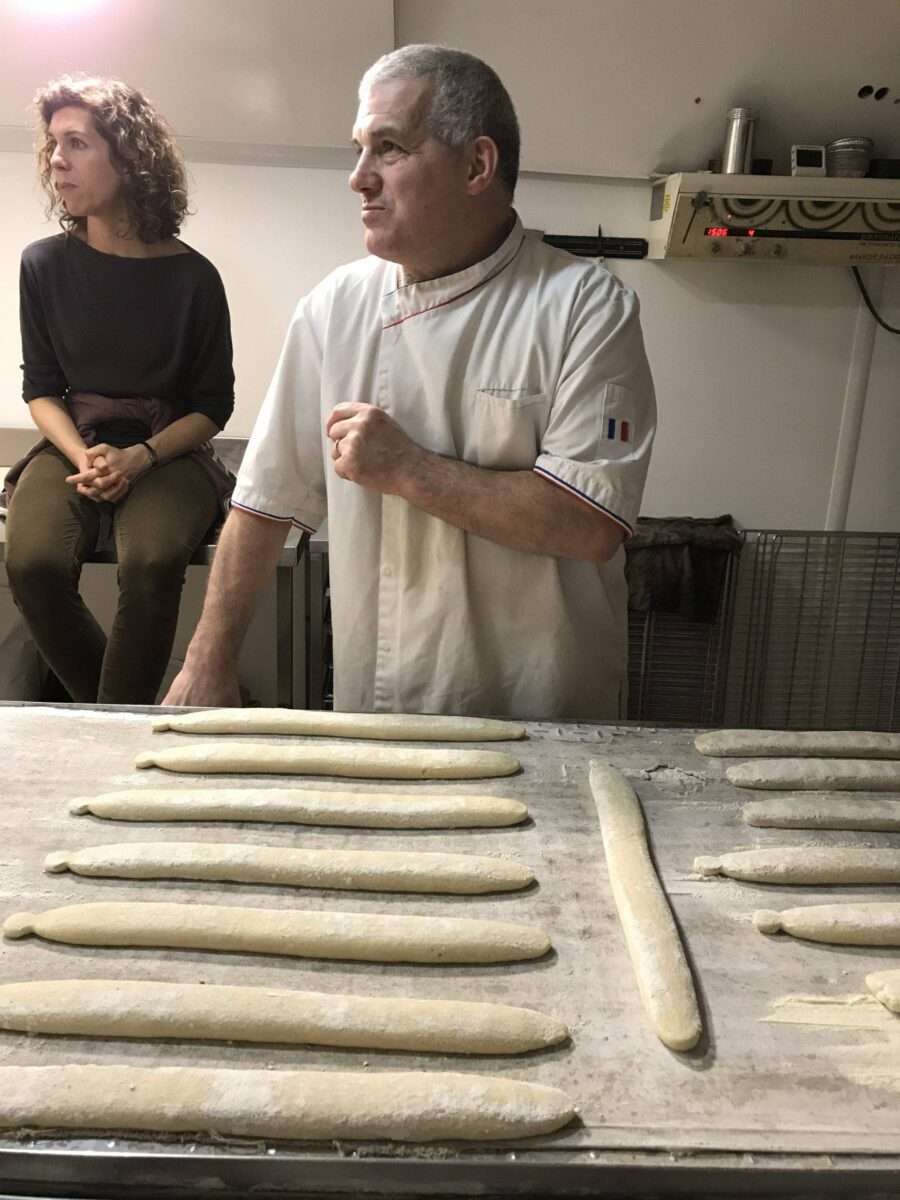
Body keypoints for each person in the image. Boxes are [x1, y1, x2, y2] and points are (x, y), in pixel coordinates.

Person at [166, 44, 655, 720]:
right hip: (385, 703)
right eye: (359, 149)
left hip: (546, 706)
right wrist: (206, 663)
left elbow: (589, 524)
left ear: (477, 165)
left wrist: (408, 468)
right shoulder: (334, 308)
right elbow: (264, 502)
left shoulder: (583, 306)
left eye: (389, 148)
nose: (358, 179)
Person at [4, 75, 235, 705]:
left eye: (76, 143)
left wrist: (142, 457)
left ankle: (110, 727)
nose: (56, 160)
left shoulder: (195, 278)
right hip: (75, 443)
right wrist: (83, 455)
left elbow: (213, 407)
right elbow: (42, 389)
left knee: (152, 562)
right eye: (53, 144)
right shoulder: (43, 264)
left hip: (168, 452)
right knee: (31, 564)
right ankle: (122, 723)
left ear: (129, 157)